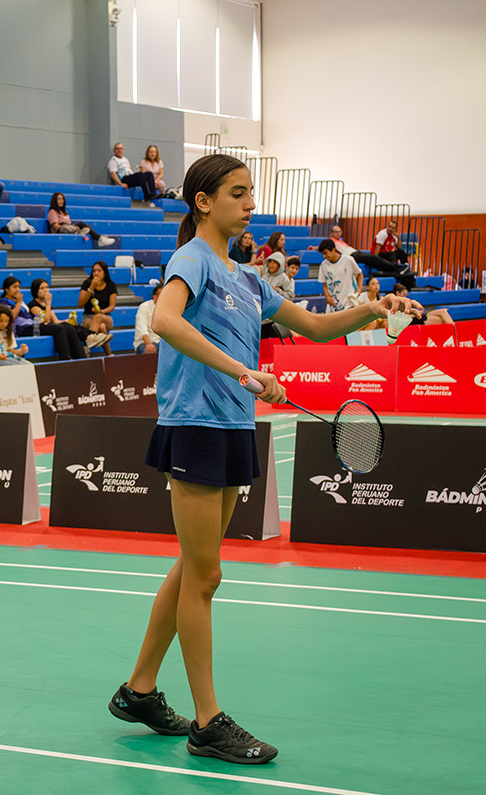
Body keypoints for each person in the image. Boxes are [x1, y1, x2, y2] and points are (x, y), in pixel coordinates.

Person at [110, 153, 419, 765]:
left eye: (251, 192)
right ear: (203, 202)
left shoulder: (249, 279)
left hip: (231, 426)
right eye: (238, 193)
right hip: (194, 424)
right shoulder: (191, 260)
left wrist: (373, 309)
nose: (251, 203)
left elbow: (316, 328)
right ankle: (208, 723)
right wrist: (245, 371)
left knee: (194, 567)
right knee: (206, 576)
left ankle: (139, 690)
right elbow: (166, 320)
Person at [327, 224, 415, 288]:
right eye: (336, 232)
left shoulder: (341, 241)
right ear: (331, 233)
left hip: (356, 252)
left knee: (390, 254)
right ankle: (399, 268)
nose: (338, 233)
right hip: (350, 255)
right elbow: (327, 250)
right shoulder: (331, 241)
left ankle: (399, 270)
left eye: (339, 231)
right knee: (373, 257)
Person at [28, 278, 87, 360]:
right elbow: (46, 320)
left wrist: (68, 320)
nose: (45, 290)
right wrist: (48, 303)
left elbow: (56, 321)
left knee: (69, 326)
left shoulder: (46, 304)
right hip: (40, 328)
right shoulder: (33, 305)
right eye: (42, 288)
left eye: (47, 287)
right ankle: (66, 357)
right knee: (61, 328)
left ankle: (80, 355)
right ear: (35, 290)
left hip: (51, 326)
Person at [46, 192, 116, 247]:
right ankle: (100, 239)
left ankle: (79, 232)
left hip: (69, 227)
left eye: (62, 199)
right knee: (81, 224)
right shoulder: (52, 211)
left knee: (88, 226)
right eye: (59, 199)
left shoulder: (64, 212)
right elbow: (55, 226)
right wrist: (71, 227)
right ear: (54, 200)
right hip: (61, 230)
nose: (61, 201)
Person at [79, 261, 117, 353]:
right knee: (102, 327)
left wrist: (101, 311)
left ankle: (88, 344)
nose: (96, 273)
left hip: (105, 316)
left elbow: (112, 306)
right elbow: (81, 303)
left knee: (99, 317)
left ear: (105, 272)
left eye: (99, 271)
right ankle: (109, 354)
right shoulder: (87, 283)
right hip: (88, 318)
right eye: (94, 271)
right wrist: (91, 288)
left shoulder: (111, 285)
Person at [317, 239, 364, 313]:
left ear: (333, 249)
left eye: (326, 253)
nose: (324, 256)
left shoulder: (348, 260)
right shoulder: (323, 265)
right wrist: (327, 297)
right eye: (323, 254)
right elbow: (324, 284)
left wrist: (359, 289)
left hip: (349, 302)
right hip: (333, 303)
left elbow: (360, 274)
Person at [135, 284, 162, 354]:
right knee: (150, 350)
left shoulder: (169, 309)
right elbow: (142, 330)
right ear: (155, 297)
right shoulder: (144, 307)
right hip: (145, 343)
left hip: (162, 343)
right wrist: (149, 344)